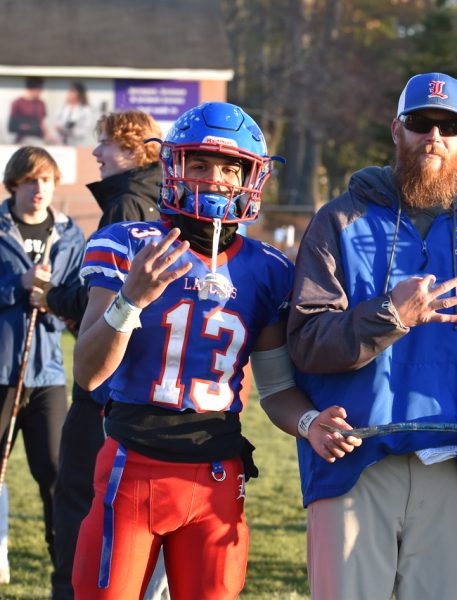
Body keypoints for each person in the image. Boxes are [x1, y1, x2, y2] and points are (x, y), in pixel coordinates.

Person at [69, 102, 349, 599]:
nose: (215, 179)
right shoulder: (125, 244)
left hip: (216, 475)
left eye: (229, 167)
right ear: (175, 166)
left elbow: (278, 388)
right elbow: (88, 374)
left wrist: (309, 423)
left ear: (251, 176)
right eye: (199, 164)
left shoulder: (267, 269)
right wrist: (129, 299)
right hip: (133, 466)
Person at [288, 72, 457, 600]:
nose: (433, 135)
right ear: (397, 130)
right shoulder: (339, 220)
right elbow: (307, 341)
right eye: (420, 122)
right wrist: (390, 315)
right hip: (354, 459)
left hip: (448, 460)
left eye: (448, 125)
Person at [39, 110, 164, 600]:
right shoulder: (161, 200)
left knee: (80, 500)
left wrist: (52, 294)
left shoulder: (128, 204)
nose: (96, 154)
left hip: (109, 388)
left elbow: (105, 297)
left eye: (107, 145)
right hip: (147, 386)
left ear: (134, 150)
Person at [0, 146, 85, 583]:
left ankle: (65, 573)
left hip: (47, 374)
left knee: (57, 473)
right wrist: (18, 284)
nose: (40, 189)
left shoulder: (69, 235)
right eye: (31, 181)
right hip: (1, 372)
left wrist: (58, 304)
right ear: (14, 184)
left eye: (47, 181)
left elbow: (81, 296)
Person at [8, 77, 48, 144]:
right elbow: (12, 125)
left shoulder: (40, 104)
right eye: (39, 89)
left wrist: (47, 135)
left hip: (37, 139)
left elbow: (42, 123)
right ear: (32, 89)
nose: (41, 92)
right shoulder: (17, 103)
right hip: (21, 139)